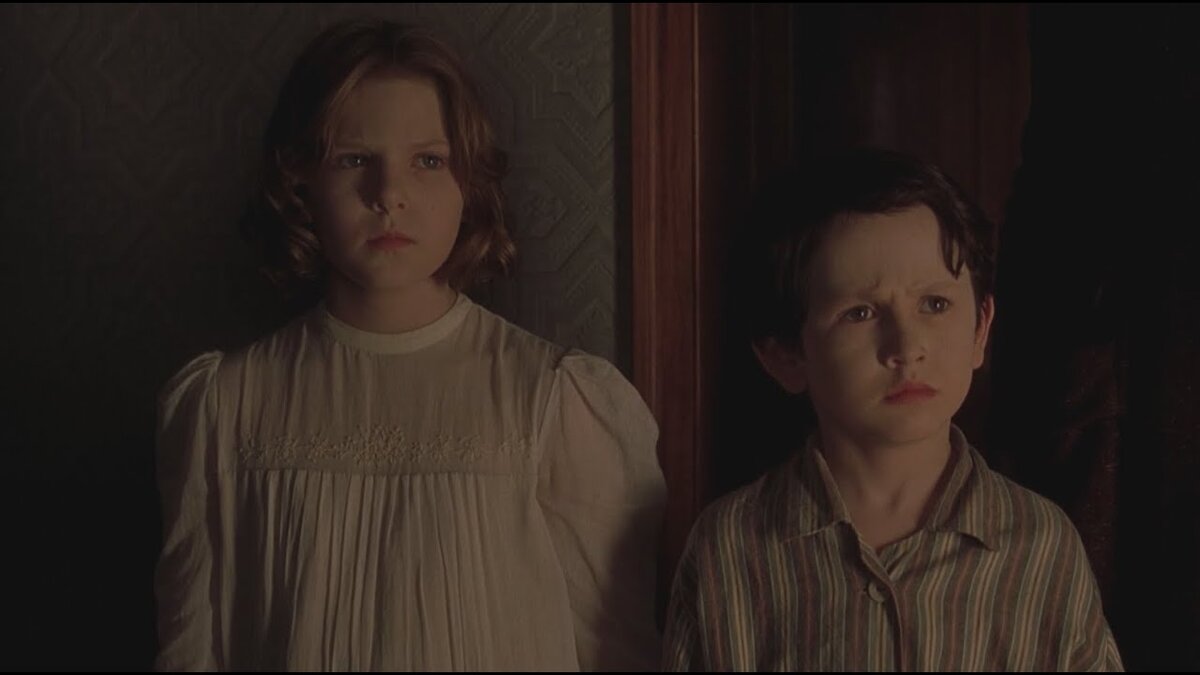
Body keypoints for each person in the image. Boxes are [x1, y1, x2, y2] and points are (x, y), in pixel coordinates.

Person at [154, 18, 664, 671]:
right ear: (300, 176)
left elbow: (617, 651)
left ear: (468, 180)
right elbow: (191, 649)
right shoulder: (224, 407)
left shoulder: (555, 402)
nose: (389, 195)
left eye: (428, 160)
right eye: (354, 159)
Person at [661, 148, 1123, 671]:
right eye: (859, 313)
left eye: (935, 304)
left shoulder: (1041, 545)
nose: (906, 346)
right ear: (786, 356)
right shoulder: (728, 550)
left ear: (980, 329)